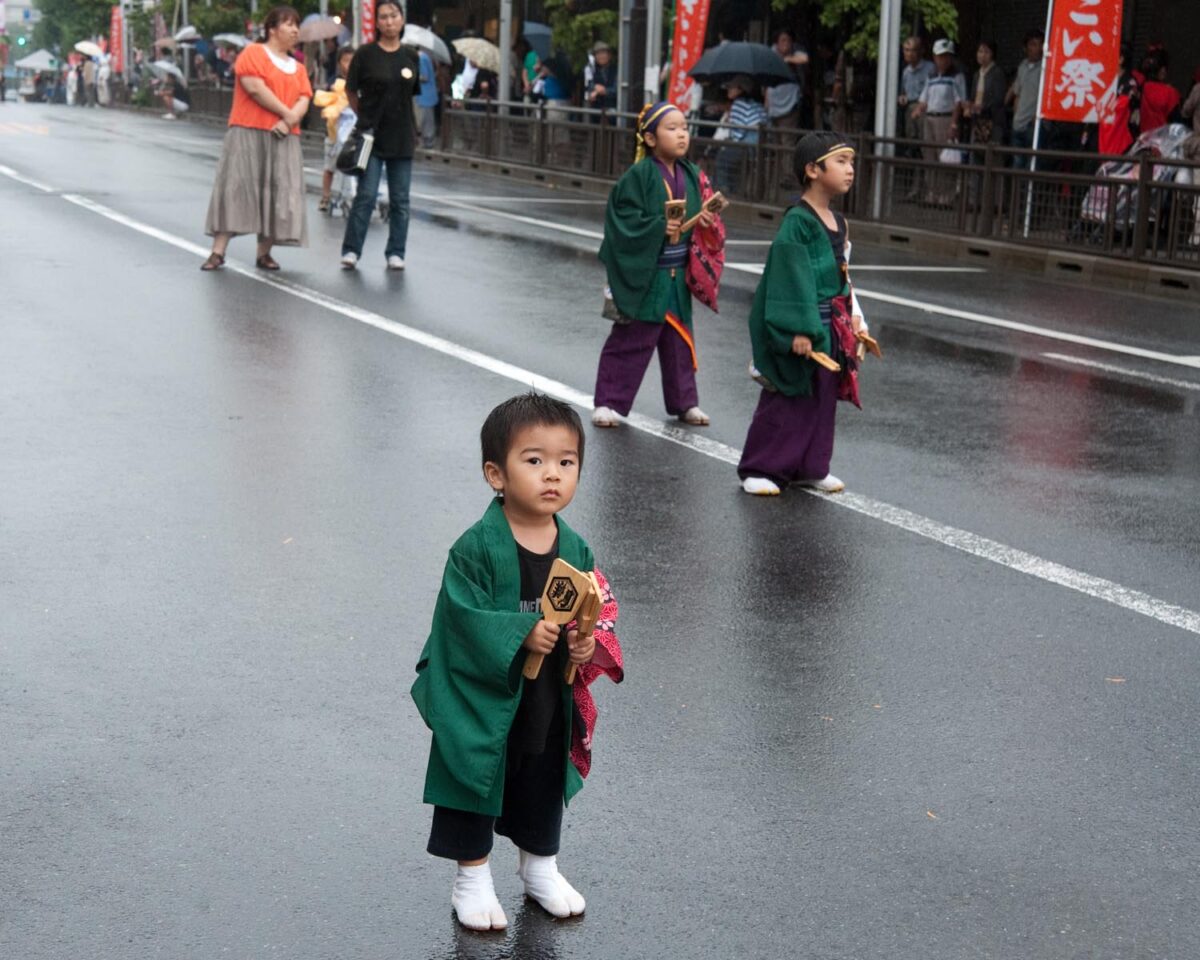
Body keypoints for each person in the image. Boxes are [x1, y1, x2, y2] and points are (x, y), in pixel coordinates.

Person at [412, 393, 623, 932]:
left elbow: (590, 612)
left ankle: (540, 866)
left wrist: (582, 643)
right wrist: (519, 630)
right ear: (495, 474)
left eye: (566, 462)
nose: (552, 474)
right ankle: (472, 876)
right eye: (534, 460)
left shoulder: (575, 548)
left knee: (541, 774)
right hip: (485, 689)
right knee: (478, 772)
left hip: (547, 691)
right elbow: (460, 618)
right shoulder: (476, 548)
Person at [738, 132, 867, 496]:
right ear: (812, 169)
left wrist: (854, 318)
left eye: (851, 162)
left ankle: (811, 466)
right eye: (841, 161)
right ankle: (760, 467)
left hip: (830, 322)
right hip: (805, 322)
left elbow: (843, 274)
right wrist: (799, 328)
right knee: (787, 394)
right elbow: (790, 277)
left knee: (822, 399)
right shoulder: (798, 221)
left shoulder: (838, 221)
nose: (849, 170)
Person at [591, 102, 723, 429]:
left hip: (678, 275)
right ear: (650, 139)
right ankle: (609, 402)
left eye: (684, 128)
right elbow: (622, 219)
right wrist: (655, 227)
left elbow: (697, 222)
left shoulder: (691, 173)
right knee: (631, 338)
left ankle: (684, 402)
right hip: (649, 273)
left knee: (679, 342)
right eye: (672, 128)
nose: (681, 134)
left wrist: (704, 218)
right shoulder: (639, 175)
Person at [200, 5, 313, 272]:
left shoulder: (297, 67)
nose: (295, 29)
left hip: (285, 136)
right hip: (248, 131)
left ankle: (265, 253)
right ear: (272, 29)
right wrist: (287, 115)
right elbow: (255, 88)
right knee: (237, 187)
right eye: (288, 24)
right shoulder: (253, 53)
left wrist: (290, 121)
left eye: (296, 25)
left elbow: (305, 98)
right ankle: (218, 252)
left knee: (279, 192)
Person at [339, 0, 421, 271]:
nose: (388, 21)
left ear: (401, 19)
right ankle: (351, 250)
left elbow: (411, 96)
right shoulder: (365, 54)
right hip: (371, 136)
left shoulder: (411, 56)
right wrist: (364, 116)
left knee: (401, 200)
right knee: (366, 195)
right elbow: (351, 91)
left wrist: (414, 129)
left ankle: (396, 252)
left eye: (393, 16)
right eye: (383, 17)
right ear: (376, 22)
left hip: (402, 136)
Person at [912, 39, 966, 205]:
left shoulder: (956, 76)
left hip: (946, 118)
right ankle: (932, 193)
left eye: (946, 56)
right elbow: (924, 98)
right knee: (930, 157)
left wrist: (954, 124)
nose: (943, 60)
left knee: (945, 159)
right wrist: (918, 110)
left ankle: (946, 196)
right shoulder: (932, 75)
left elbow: (959, 101)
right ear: (935, 58)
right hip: (930, 117)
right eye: (940, 57)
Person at [315, 45, 355, 213]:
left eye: (353, 61)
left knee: (353, 167)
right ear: (339, 63)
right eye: (346, 61)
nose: (350, 65)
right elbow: (323, 98)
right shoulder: (334, 81)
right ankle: (326, 195)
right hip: (334, 132)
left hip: (353, 133)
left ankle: (351, 196)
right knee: (330, 167)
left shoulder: (360, 82)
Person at [716, 74, 768, 195]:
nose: (728, 90)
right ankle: (734, 190)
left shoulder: (738, 104)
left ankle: (725, 192)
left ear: (740, 89)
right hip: (762, 146)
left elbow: (738, 133)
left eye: (731, 87)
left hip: (748, 145)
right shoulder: (756, 104)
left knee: (722, 158)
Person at [1006, 30, 1044, 170]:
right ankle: (1017, 192)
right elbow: (1017, 93)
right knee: (1017, 163)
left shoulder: (1045, 68)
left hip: (1032, 124)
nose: (1037, 48)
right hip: (1018, 123)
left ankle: (1027, 191)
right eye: (1033, 44)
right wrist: (1016, 116)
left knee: (1031, 164)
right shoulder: (1022, 66)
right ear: (1026, 47)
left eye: (1040, 44)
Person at [963, 40, 1006, 146]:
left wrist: (982, 107)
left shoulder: (997, 73)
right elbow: (973, 95)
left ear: (992, 54)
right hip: (977, 120)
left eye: (986, 52)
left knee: (990, 154)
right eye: (980, 51)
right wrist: (970, 106)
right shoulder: (977, 74)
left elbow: (998, 98)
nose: (982, 55)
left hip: (992, 120)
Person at [765, 29, 808, 132]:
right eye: (783, 40)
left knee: (787, 138)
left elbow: (804, 59)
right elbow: (768, 81)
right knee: (774, 138)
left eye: (788, 40)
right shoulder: (772, 53)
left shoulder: (795, 51)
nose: (786, 43)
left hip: (790, 103)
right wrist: (766, 101)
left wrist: (787, 59)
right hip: (773, 103)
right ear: (777, 43)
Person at [898, 36, 935, 150]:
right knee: (911, 141)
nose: (909, 54)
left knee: (924, 142)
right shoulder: (906, 72)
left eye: (913, 50)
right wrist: (902, 98)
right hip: (909, 108)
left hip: (925, 109)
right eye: (906, 50)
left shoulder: (930, 68)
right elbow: (903, 91)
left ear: (920, 51)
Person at [1138, 52, 1180, 134]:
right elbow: (1176, 122)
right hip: (1161, 140)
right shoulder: (1170, 92)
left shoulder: (1140, 87)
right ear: (1162, 70)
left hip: (1142, 138)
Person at [413, 47, 439, 148]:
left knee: (426, 119)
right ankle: (427, 140)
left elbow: (424, 76)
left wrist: (413, 76)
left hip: (425, 94)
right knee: (426, 119)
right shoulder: (425, 57)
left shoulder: (421, 58)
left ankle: (428, 142)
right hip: (426, 94)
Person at [584, 41, 616, 113]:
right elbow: (588, 86)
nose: (601, 56)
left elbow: (616, 90)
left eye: (603, 53)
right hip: (596, 112)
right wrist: (593, 90)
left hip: (613, 111)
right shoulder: (591, 70)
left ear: (609, 55)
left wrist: (603, 91)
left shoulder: (616, 70)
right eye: (598, 54)